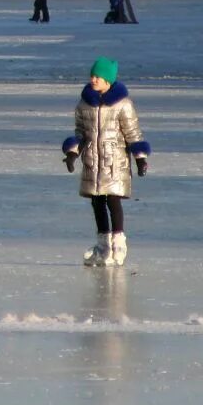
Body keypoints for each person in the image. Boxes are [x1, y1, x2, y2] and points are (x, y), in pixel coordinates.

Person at [63, 56, 151, 267]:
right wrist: (73, 153)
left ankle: (118, 245)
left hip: (115, 161)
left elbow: (132, 132)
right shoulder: (85, 104)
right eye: (92, 76)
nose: (93, 80)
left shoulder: (123, 105)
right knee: (97, 202)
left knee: (113, 200)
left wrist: (140, 158)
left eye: (98, 77)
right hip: (93, 161)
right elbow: (81, 133)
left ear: (108, 81)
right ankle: (103, 247)